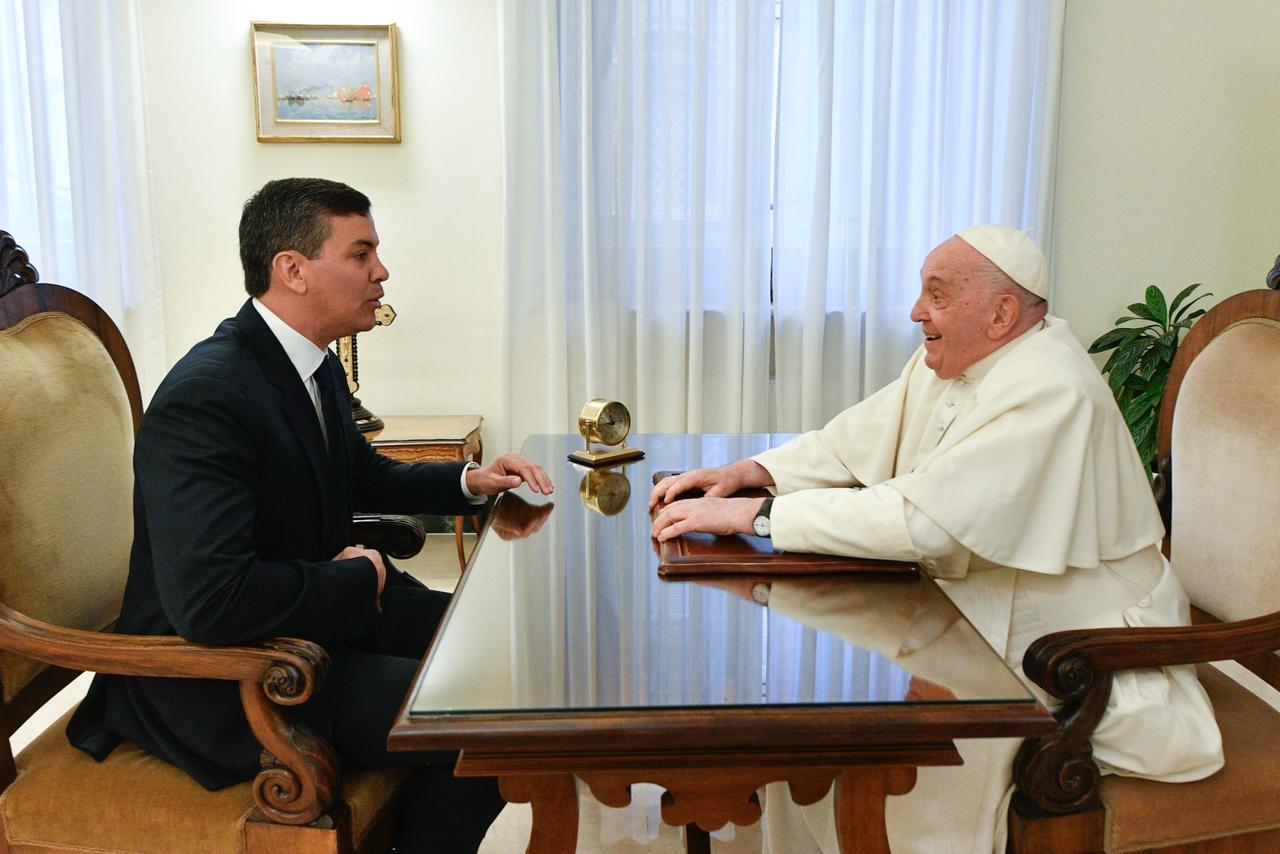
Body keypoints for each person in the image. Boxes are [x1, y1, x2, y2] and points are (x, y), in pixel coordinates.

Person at [650, 225, 1223, 854]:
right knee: (812, 722)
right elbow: (853, 438)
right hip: (966, 607)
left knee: (899, 752)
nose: (917, 311)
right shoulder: (953, 357)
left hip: (1072, 643)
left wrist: (759, 517)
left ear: (1002, 313)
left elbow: (923, 522)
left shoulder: (1052, 387)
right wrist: (753, 473)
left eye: (937, 294)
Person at [67, 177, 554, 852]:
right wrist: (360, 579)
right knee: (485, 722)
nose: (381, 271)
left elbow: (362, 475)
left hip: (307, 626)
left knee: (496, 654)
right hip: (227, 676)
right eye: (361, 254)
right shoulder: (206, 398)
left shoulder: (311, 364)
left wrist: (473, 479)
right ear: (292, 270)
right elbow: (209, 603)